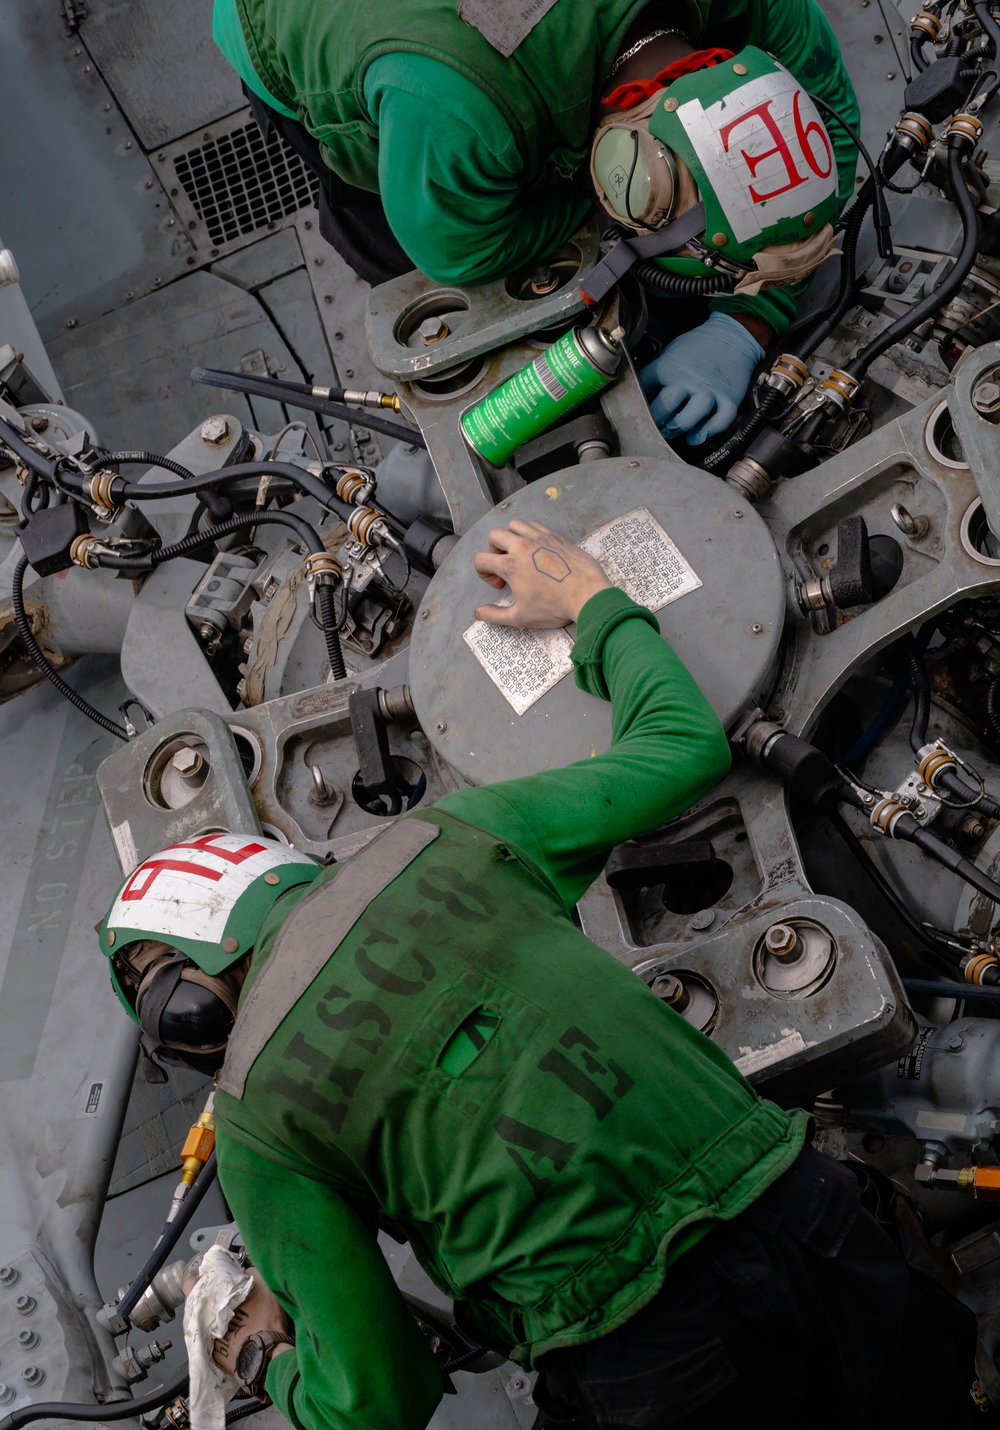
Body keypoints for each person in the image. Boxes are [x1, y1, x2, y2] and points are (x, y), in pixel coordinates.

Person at [98, 520, 977, 1429]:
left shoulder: (257, 1124)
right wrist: (590, 600)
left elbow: (375, 1403)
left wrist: (264, 1357)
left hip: (645, 1363)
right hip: (817, 1230)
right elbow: (683, 744)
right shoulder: (452, 839)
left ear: (186, 1000)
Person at [211, 0, 860, 443]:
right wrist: (616, 228)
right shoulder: (457, 112)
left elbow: (828, 101)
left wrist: (748, 323)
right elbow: (458, 252)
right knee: (392, 242)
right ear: (612, 173)